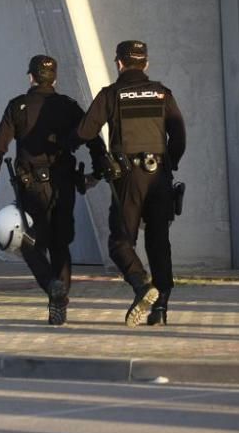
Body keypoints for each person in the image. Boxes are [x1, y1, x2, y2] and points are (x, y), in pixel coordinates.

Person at [0, 55, 106, 325]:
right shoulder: (68, 106)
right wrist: (97, 172)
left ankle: (52, 287)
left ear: (31, 77)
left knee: (28, 243)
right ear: (55, 78)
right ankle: (58, 302)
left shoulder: (17, 106)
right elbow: (94, 139)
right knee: (60, 245)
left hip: (31, 187)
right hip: (64, 184)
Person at [74, 40, 185, 326]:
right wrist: (168, 165)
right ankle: (160, 308)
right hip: (159, 175)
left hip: (128, 178)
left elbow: (85, 131)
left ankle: (142, 286)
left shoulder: (111, 95)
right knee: (159, 241)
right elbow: (179, 135)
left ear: (119, 63)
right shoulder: (162, 93)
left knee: (121, 242)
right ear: (146, 64)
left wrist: (100, 163)